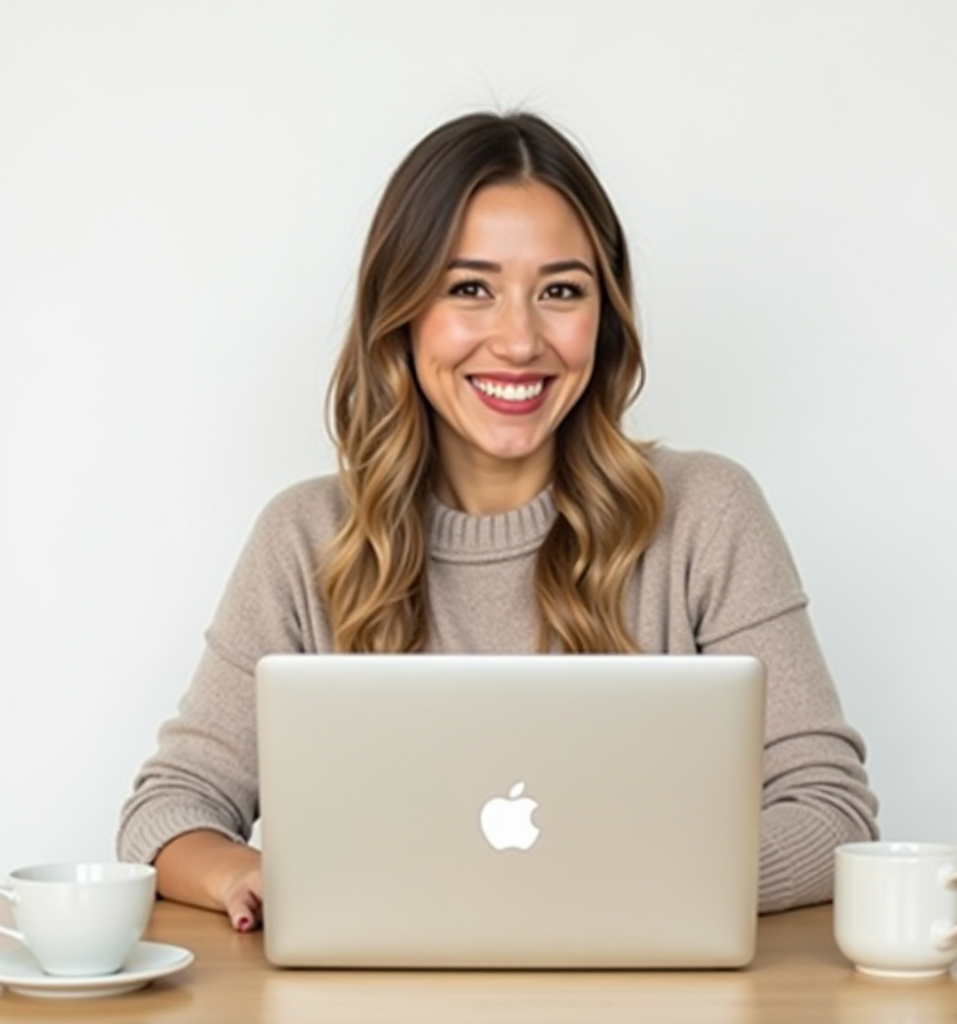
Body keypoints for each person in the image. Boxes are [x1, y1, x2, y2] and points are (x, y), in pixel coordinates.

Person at [118, 110, 879, 932]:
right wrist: (244, 875)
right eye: (469, 288)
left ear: (606, 317)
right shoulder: (306, 537)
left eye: (561, 291)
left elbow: (829, 809)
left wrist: (586, 890)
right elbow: (169, 808)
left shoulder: (707, 514)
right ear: (403, 312)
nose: (518, 341)